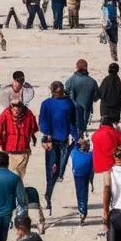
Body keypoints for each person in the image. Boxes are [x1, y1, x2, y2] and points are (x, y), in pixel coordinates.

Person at [37, 81, 78, 214]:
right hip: (52, 141)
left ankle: (52, 186)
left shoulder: (68, 103)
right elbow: (43, 122)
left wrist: (76, 136)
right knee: (52, 169)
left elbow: (72, 121)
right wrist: (47, 135)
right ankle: (48, 195)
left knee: (58, 169)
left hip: (63, 139)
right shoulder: (47, 104)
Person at [0, 95, 39, 180]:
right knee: (18, 176)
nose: (16, 111)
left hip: (17, 149)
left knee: (14, 175)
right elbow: (34, 128)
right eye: (14, 109)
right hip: (15, 150)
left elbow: (33, 127)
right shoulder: (26, 112)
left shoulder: (6, 113)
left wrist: (1, 143)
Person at [65, 60, 100, 137]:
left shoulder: (71, 80)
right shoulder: (93, 81)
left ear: (77, 68)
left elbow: (65, 94)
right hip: (87, 113)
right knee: (82, 131)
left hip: (73, 113)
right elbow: (96, 97)